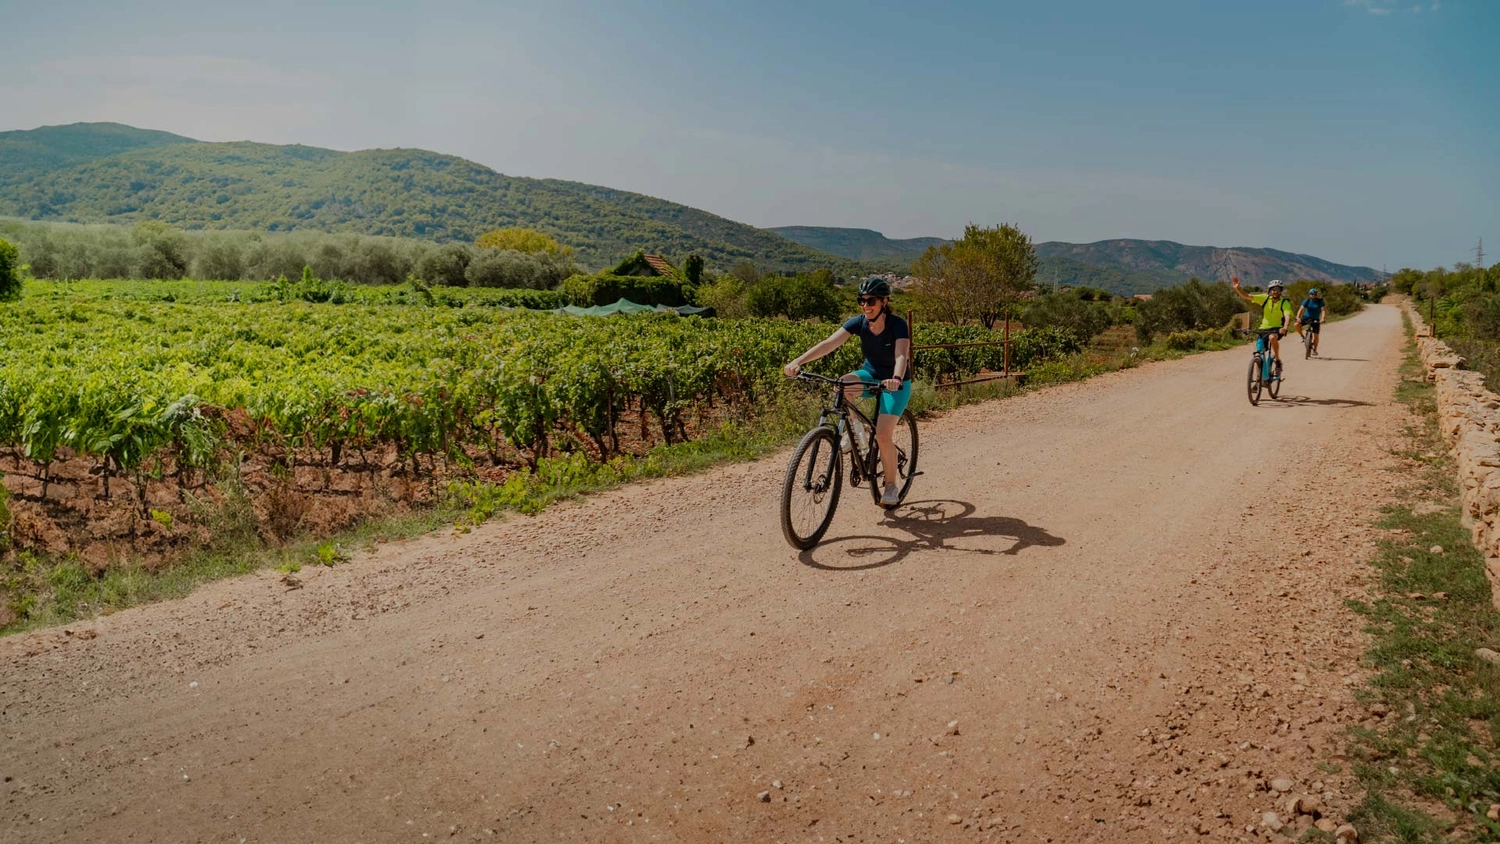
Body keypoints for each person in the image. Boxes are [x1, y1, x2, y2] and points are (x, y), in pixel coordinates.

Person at [783, 277, 912, 507]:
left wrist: (896, 378)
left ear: (884, 301)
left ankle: (891, 487)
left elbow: (902, 355)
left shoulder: (897, 324)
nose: (865, 305)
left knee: (883, 435)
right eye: (861, 300)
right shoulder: (859, 323)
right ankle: (857, 434)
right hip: (870, 375)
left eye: (870, 300)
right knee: (842, 385)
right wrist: (798, 361)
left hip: (895, 382)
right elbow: (828, 344)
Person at [1231, 277, 1293, 379]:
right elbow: (1247, 296)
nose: (1275, 292)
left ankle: (1278, 361)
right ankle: (1259, 378)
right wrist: (1237, 289)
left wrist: (1285, 327)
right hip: (1263, 329)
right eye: (1273, 289)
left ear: (1281, 291)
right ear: (1269, 290)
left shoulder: (1284, 302)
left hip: (1277, 328)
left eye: (1278, 290)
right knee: (1258, 355)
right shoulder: (1264, 298)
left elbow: (1287, 316)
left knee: (1272, 337)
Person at [1296, 287, 1327, 356]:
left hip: (1315, 319)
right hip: (1306, 318)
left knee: (1316, 335)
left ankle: (1315, 350)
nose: (1313, 295)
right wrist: (1298, 317)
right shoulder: (1307, 301)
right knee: (1296, 324)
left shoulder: (1320, 301)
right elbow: (1301, 309)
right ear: (1309, 294)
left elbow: (1323, 310)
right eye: (1312, 294)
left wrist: (1322, 318)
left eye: (1315, 294)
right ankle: (1302, 336)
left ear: (1316, 295)